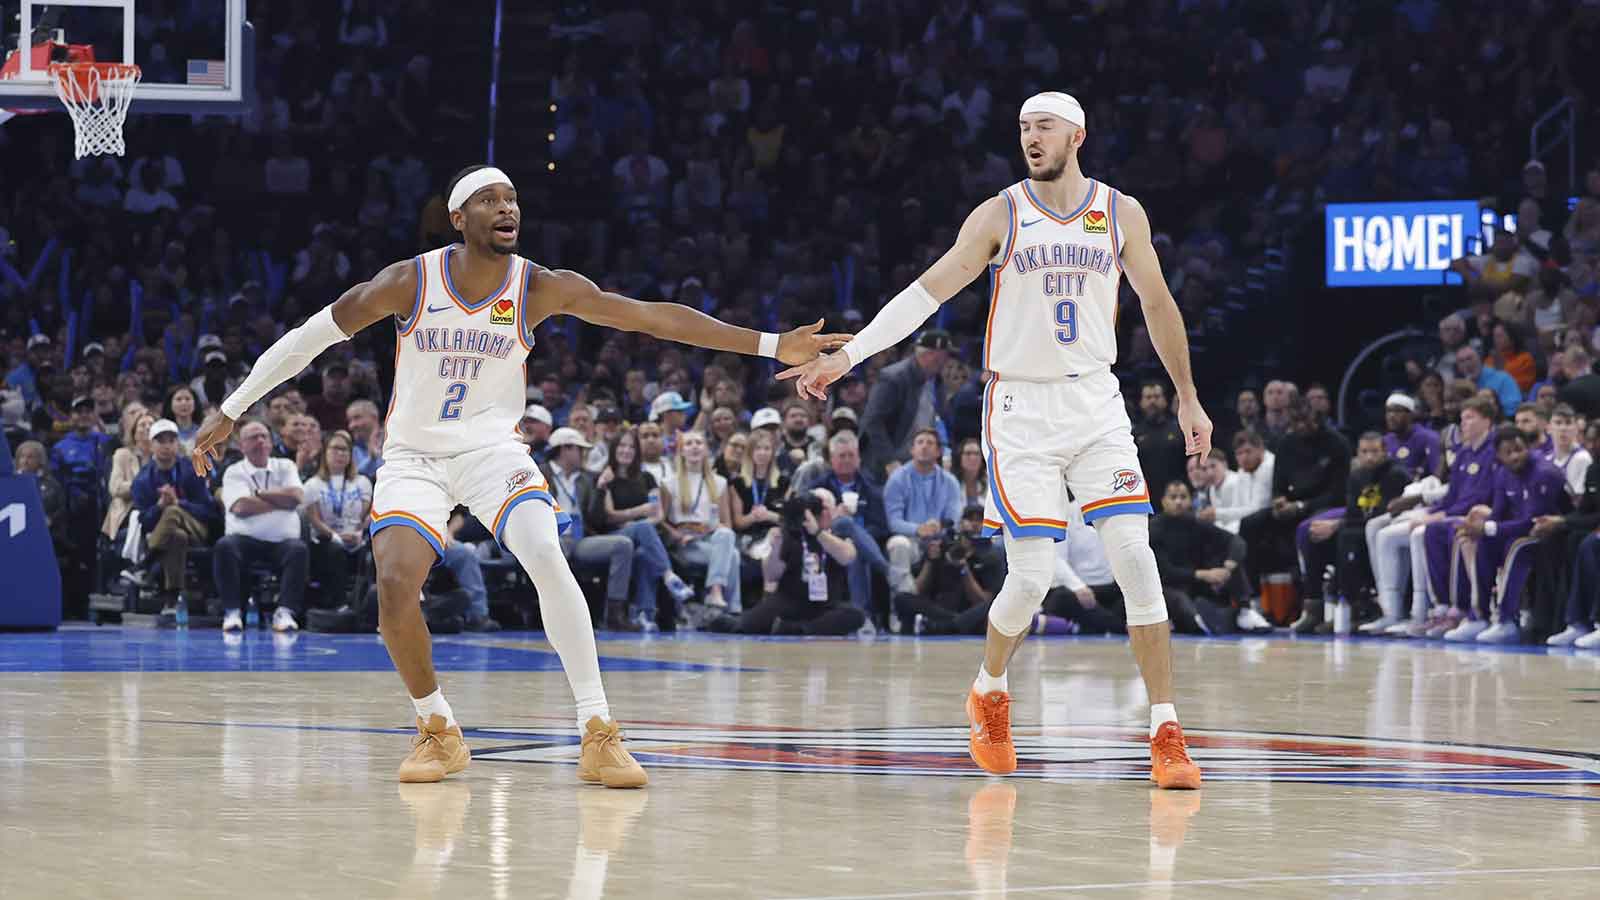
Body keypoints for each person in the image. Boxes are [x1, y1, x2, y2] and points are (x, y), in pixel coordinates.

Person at [194, 164, 846, 786]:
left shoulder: (537, 285)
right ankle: (438, 729)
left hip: (492, 452)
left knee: (545, 554)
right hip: (415, 456)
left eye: (512, 199)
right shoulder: (408, 282)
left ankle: (598, 731)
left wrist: (768, 344)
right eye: (491, 199)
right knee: (394, 586)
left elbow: (650, 316)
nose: (508, 208)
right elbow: (310, 337)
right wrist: (230, 408)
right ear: (458, 217)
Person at [780, 92, 1211, 788]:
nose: (1030, 138)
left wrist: (1188, 396)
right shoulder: (1001, 213)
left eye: (1042, 127)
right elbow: (926, 292)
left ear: (1077, 133)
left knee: (1135, 555)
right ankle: (988, 690)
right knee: (1033, 576)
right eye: (1022, 129)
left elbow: (1158, 305)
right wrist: (849, 355)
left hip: (1095, 398)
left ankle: (1166, 729)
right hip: (1020, 407)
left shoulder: (1120, 212)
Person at [1374, 397, 1500, 637]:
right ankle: (1424, 609)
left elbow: (1480, 496)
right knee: (1396, 530)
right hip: (1453, 512)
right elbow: (1452, 494)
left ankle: (1449, 609)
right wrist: (1431, 512)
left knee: (1426, 532)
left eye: (1470, 418)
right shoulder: (1463, 453)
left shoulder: (1493, 451)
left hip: (1477, 515)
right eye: (1462, 419)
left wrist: (1439, 515)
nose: (1463, 424)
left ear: (1487, 420)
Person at [1436, 427, 1567, 643]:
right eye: (1509, 452)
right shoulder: (1502, 473)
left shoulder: (1544, 472)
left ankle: (1507, 620)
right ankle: (1477, 616)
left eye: (1519, 449)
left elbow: (1532, 521)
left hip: (1550, 534)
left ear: (1528, 448)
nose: (1515, 455)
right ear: (1499, 456)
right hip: (1516, 530)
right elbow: (1498, 513)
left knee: (1516, 547)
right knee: (1476, 542)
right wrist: (1481, 529)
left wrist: (1488, 528)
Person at [1290, 432, 1412, 633]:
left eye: (1375, 451)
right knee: (1315, 538)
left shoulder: (1396, 474)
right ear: (1358, 453)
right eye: (1364, 452)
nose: (1370, 457)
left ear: (1385, 452)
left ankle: (1356, 607)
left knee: (1347, 537)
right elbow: (1354, 511)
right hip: (1359, 525)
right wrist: (1336, 526)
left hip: (1384, 527)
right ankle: (1316, 606)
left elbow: (1384, 513)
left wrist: (1338, 525)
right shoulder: (1356, 476)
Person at [589, 426, 694, 632]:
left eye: (631, 447)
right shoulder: (605, 476)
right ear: (613, 449)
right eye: (622, 446)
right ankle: (668, 575)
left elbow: (658, 514)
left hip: (643, 536)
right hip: (613, 536)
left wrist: (636, 522)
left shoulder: (646, 478)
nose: (626, 451)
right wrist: (638, 514)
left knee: (644, 552)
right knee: (643, 527)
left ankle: (645, 613)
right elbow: (608, 515)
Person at [213, 420, 311, 634]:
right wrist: (279, 500)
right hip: (244, 540)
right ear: (242, 446)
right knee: (224, 546)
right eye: (253, 437)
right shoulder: (234, 471)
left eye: (264, 436)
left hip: (282, 543)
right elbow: (240, 506)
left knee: (299, 550)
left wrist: (258, 495)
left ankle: (285, 612)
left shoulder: (285, 466)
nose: (260, 441)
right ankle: (232, 612)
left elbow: (296, 497)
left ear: (270, 442)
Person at [542, 426, 643, 632]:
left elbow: (595, 519)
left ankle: (614, 614)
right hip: (552, 537)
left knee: (622, 545)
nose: (583, 455)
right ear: (565, 449)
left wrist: (600, 489)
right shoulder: (540, 474)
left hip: (580, 539)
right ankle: (558, 615)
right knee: (557, 547)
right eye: (580, 449)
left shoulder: (586, 479)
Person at [728, 489, 864, 636]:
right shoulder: (792, 533)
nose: (817, 513)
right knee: (745, 625)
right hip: (789, 601)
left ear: (833, 511)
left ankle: (799, 630)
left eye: (823, 507)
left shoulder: (839, 533)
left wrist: (817, 532)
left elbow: (848, 556)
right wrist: (777, 546)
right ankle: (721, 620)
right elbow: (772, 575)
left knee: (855, 615)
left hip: (825, 605)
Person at [130, 419, 215, 613]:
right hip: (166, 534)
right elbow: (143, 521)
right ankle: (172, 599)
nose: (166, 446)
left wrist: (179, 504)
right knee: (177, 536)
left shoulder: (193, 470)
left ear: (178, 444)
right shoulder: (143, 479)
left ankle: (145, 564)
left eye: (171, 440)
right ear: (151, 445)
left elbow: (208, 512)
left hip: (197, 528)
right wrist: (160, 506)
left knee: (174, 511)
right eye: (161, 441)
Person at [1149, 481, 1251, 634]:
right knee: (1180, 600)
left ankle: (1245, 612)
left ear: (1190, 501)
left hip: (1197, 585)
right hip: (1167, 587)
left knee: (1233, 561)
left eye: (1183, 497)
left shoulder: (1196, 522)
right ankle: (1200, 622)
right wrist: (1204, 574)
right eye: (1173, 497)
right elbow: (1165, 571)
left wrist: (1229, 564)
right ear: (1164, 501)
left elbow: (1236, 541)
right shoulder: (1154, 528)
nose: (1178, 501)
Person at [859, 328, 953, 482]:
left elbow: (938, 420)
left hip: (920, 463)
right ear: (933, 355)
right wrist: (889, 461)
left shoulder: (937, 381)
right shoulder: (893, 378)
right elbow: (872, 421)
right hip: (884, 466)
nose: (947, 361)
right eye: (945, 356)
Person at [884, 428, 965, 595]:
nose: (924, 446)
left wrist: (939, 527)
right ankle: (904, 604)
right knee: (898, 544)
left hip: (941, 539)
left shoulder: (950, 482)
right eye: (920, 442)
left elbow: (953, 519)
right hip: (911, 540)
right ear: (912, 450)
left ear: (938, 452)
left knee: (961, 547)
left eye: (930, 443)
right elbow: (894, 522)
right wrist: (918, 529)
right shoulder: (897, 479)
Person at [1542, 422, 1600, 647]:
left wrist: (1563, 521)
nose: (1592, 445)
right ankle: (1576, 621)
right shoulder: (1594, 469)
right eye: (1590, 439)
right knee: (1564, 539)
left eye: (1596, 439)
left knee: (1590, 544)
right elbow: (1586, 509)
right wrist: (1560, 522)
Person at [302, 430, 374, 610]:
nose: (340, 454)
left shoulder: (362, 482)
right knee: (334, 550)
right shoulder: (312, 484)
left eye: (345, 450)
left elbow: (367, 514)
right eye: (335, 449)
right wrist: (336, 536)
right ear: (324, 453)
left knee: (376, 550)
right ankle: (339, 605)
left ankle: (372, 606)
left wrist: (358, 533)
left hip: (356, 538)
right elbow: (314, 518)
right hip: (325, 540)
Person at [102, 411, 154, 542]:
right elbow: (115, 488)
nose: (147, 427)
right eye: (142, 425)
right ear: (134, 433)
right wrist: (143, 485)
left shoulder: (163, 456)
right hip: (128, 511)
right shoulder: (122, 454)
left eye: (151, 424)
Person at [1381, 393, 1439, 480]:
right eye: (1388, 411)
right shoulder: (1385, 440)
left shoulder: (1429, 438)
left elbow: (1436, 475)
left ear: (1410, 414)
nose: (1391, 416)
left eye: (1397, 411)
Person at [954, 437, 988, 506]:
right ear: (960, 458)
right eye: (968, 453)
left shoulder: (991, 482)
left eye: (976, 453)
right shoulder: (951, 482)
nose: (972, 458)